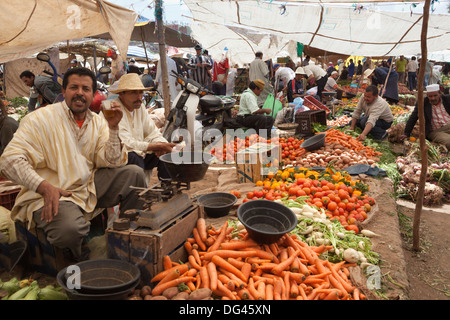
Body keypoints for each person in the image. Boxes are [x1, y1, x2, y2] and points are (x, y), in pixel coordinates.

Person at [0, 67, 147, 261]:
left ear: (94, 94)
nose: (79, 92)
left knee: (134, 174)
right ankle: (80, 262)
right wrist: (43, 187)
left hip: (87, 186)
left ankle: (125, 238)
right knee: (70, 229)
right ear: (64, 92)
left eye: (85, 89)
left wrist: (113, 129)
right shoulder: (40, 119)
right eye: (74, 87)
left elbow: (112, 161)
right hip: (53, 193)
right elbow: (9, 160)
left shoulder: (98, 121)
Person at [102, 73, 176, 179]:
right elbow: (125, 144)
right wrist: (155, 146)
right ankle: (137, 194)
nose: (139, 97)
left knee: (165, 154)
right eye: (133, 93)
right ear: (121, 94)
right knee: (133, 157)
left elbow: (152, 132)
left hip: (140, 153)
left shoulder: (139, 107)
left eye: (140, 92)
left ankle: (168, 189)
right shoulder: (113, 109)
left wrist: (162, 145)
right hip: (115, 160)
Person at [401, 84, 450, 150]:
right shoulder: (423, 103)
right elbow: (413, 117)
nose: (433, 98)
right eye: (430, 96)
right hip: (434, 131)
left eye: (435, 95)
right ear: (427, 95)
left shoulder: (447, 99)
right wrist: (406, 133)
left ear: (440, 93)